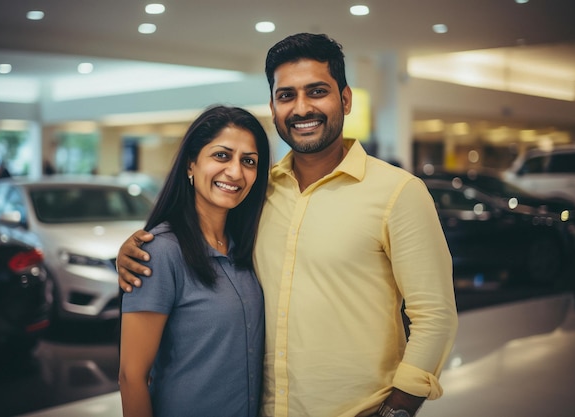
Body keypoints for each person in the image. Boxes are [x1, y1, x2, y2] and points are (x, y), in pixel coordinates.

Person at [117, 33, 458, 417]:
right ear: (273, 106)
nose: (301, 108)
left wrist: (398, 409)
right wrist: (138, 249)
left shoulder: (398, 192)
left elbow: (435, 315)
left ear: (344, 99)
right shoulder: (259, 195)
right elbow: (192, 237)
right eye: (286, 96)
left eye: (316, 92)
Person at [118, 105, 271, 417]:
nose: (236, 172)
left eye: (249, 161)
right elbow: (131, 377)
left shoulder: (247, 245)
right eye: (221, 155)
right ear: (191, 163)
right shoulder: (159, 252)